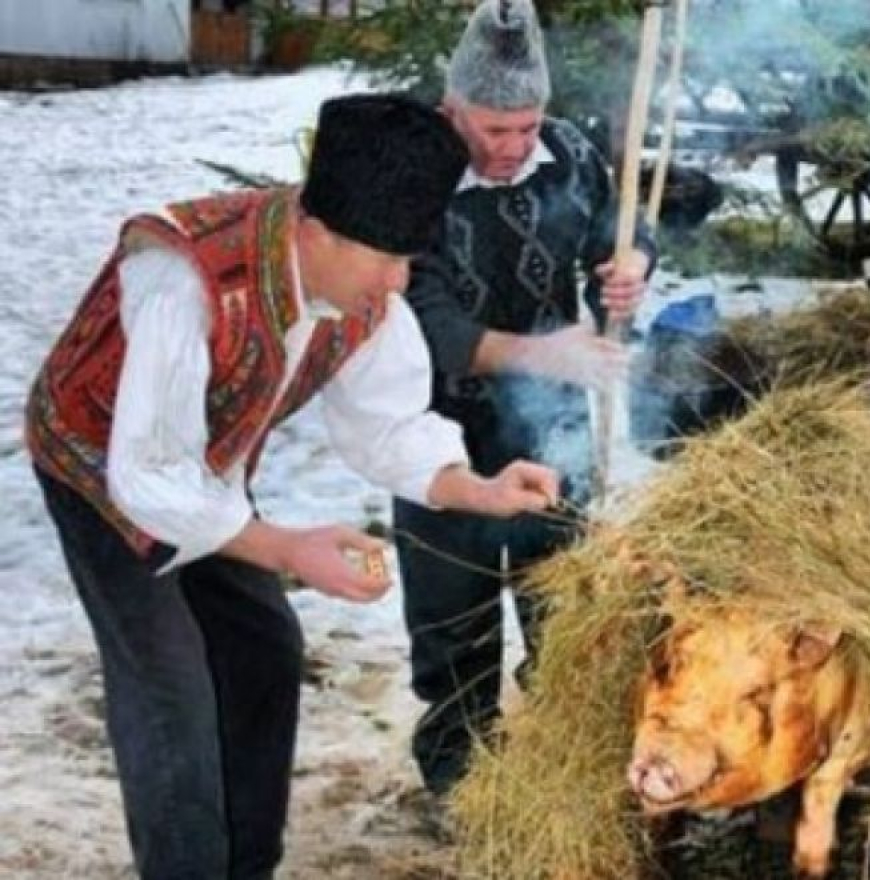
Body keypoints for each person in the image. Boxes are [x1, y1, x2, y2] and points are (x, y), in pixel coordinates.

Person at [25, 92, 564, 879]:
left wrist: (478, 488)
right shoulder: (182, 273)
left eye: (408, 260)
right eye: (385, 259)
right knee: (171, 689)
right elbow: (149, 473)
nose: (397, 282)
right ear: (316, 231)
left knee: (265, 648)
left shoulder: (365, 293)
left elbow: (386, 425)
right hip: (101, 462)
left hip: (205, 467)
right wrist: (284, 548)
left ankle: (247, 865)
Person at [396, 0, 653, 798]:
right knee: (453, 619)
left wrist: (629, 267)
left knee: (564, 601)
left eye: (526, 126)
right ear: (453, 109)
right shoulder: (413, 172)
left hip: (555, 429)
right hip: (439, 431)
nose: (512, 147)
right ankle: (463, 786)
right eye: (494, 129)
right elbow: (421, 316)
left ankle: (568, 765)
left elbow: (620, 227)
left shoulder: (568, 151)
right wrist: (542, 353)